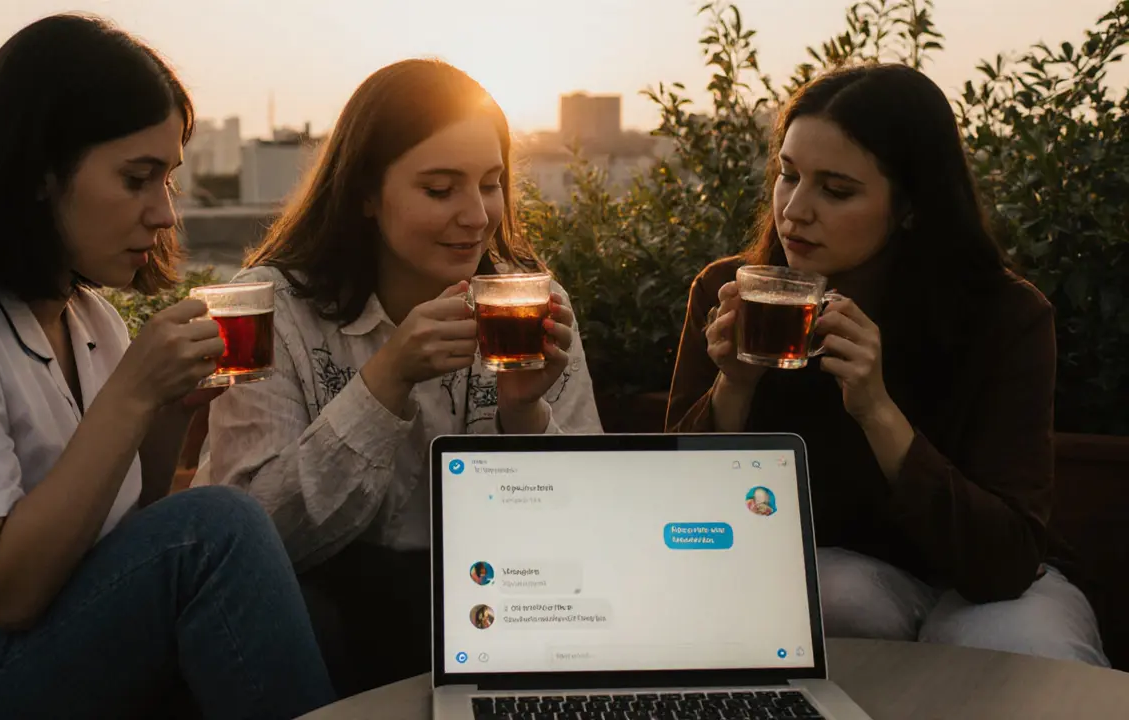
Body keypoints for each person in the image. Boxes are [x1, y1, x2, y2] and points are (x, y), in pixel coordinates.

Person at [0, 15, 333, 720]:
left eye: (168, 180)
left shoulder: (88, 317)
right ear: (41, 173)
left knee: (317, 608)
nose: (164, 213)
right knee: (217, 531)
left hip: (43, 639)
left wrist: (172, 407)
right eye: (138, 179)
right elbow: (4, 591)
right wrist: (134, 394)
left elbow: (123, 529)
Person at [667, 63, 1107, 666]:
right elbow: (676, 520)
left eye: (836, 189)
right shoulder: (733, 294)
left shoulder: (1003, 315)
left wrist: (877, 411)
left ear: (910, 205)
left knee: (1022, 648)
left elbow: (1005, 563)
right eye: (787, 175)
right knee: (836, 600)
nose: (794, 211)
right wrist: (733, 387)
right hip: (836, 574)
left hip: (986, 579)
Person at [198, 58, 603, 692]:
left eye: (491, 184)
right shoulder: (270, 309)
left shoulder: (527, 302)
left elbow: (586, 531)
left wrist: (525, 414)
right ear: (364, 192)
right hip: (317, 611)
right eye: (440, 190)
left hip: (484, 605)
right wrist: (384, 383)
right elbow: (254, 539)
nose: (476, 215)